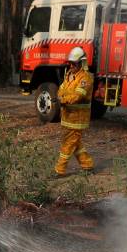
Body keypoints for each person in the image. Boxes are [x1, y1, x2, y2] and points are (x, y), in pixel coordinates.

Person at [54, 47, 95, 176]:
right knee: (75, 143)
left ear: (82, 63)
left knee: (68, 143)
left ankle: (60, 170)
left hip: (78, 119)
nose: (71, 65)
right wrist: (61, 97)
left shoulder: (85, 78)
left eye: (74, 63)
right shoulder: (69, 75)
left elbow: (78, 96)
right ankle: (87, 165)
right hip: (67, 117)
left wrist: (63, 100)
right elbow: (61, 90)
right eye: (70, 63)